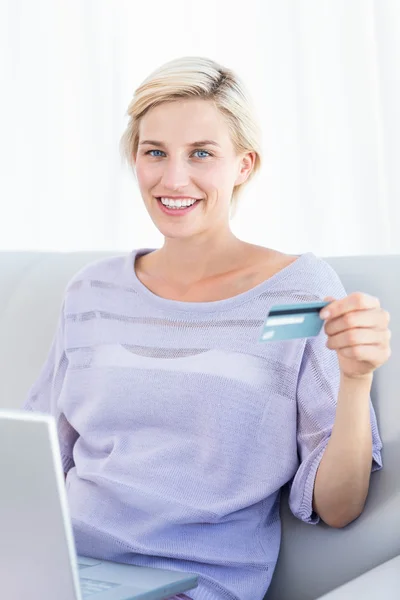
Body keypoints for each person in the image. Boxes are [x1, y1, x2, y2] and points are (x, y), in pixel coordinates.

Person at [23, 56, 391, 600]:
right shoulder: (92, 293)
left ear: (243, 165)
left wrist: (356, 378)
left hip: (193, 587)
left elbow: (338, 508)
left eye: (201, 153)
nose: (174, 179)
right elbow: (39, 463)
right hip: (61, 573)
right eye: (155, 153)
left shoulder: (294, 296)